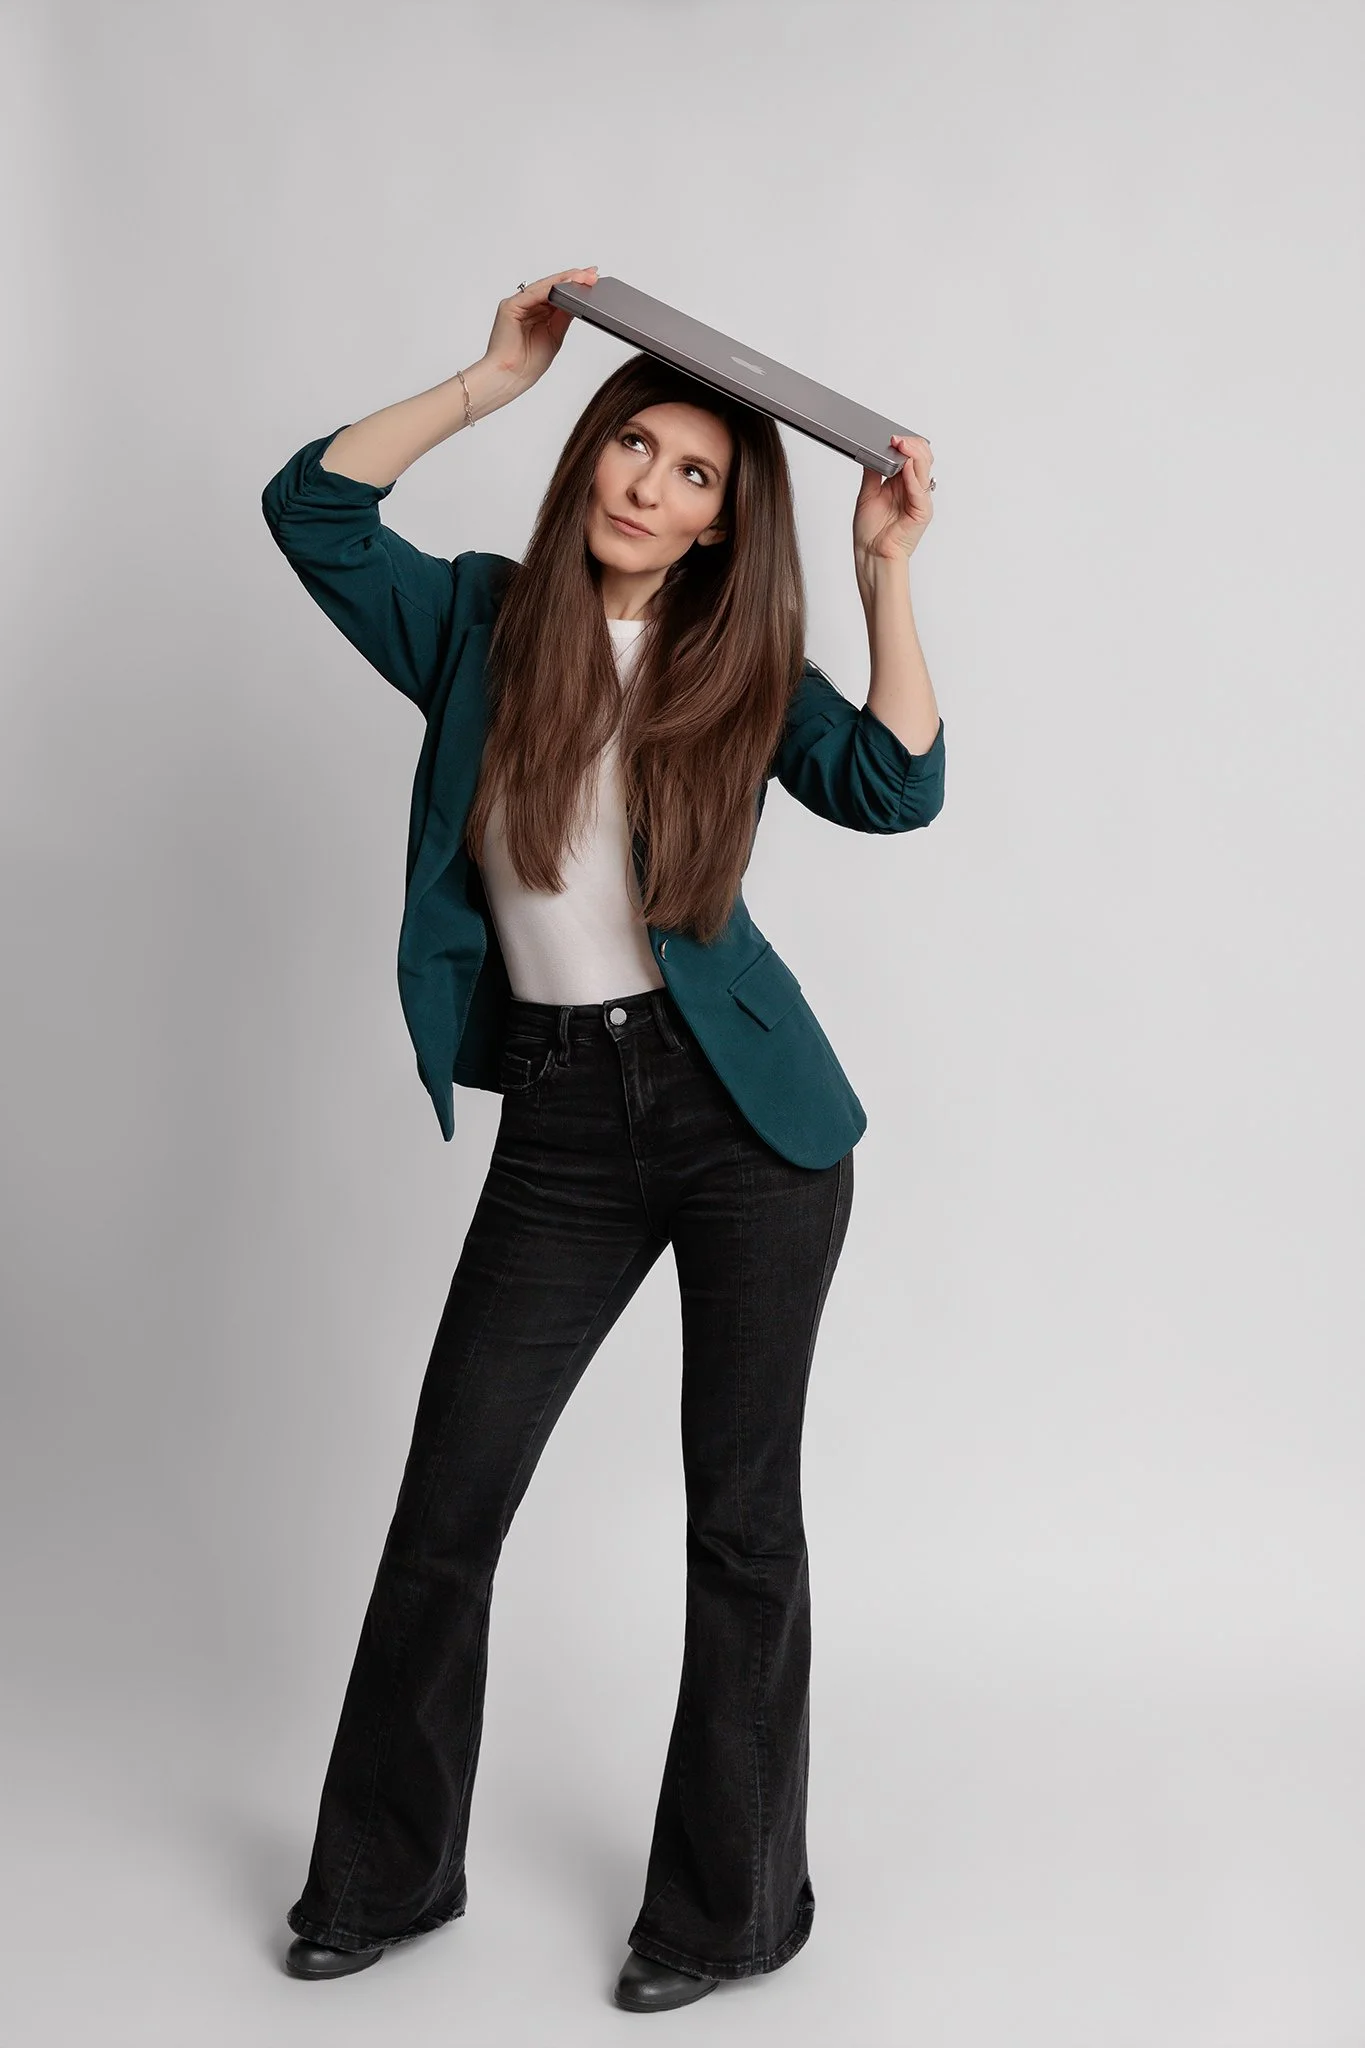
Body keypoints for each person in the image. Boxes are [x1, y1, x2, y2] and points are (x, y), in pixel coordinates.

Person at [259, 266, 944, 2013]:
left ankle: (727, 1913)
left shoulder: (739, 667)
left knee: (741, 1528)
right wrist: (493, 376)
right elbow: (312, 508)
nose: (650, 484)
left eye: (696, 474)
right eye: (631, 446)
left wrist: (884, 575)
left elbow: (896, 783)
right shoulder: (484, 625)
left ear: (727, 526)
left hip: (752, 1136)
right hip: (566, 1123)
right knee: (449, 1507)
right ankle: (387, 1876)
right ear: (590, 463)